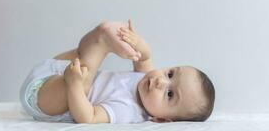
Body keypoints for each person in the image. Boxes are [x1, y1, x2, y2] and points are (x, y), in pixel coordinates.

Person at [20, 20, 215, 123]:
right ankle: (101, 39)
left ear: (162, 119)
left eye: (170, 94)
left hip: (46, 100)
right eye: (170, 74)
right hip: (53, 70)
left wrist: (74, 86)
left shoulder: (129, 110)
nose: (161, 82)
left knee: (85, 79)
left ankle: (102, 38)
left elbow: (88, 117)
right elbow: (145, 57)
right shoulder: (145, 79)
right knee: (83, 57)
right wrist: (136, 43)